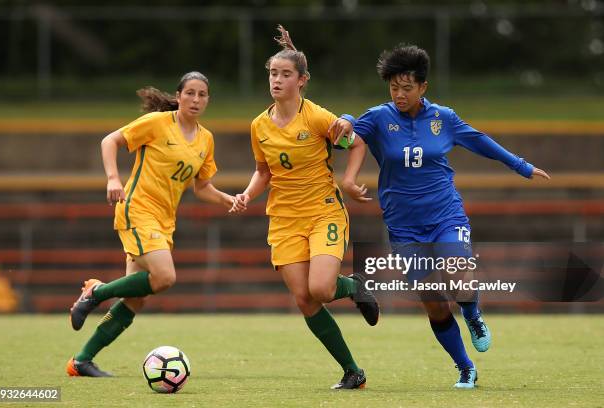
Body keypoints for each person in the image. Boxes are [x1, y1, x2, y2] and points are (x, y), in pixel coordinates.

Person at [338, 44, 550, 389]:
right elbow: (345, 138)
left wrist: (521, 166)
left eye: (407, 87)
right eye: (394, 87)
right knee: (434, 304)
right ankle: (466, 367)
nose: (400, 94)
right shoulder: (377, 117)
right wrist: (346, 119)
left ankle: (472, 314)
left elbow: (479, 141)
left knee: (458, 273)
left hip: (444, 212)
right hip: (403, 224)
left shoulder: (443, 118)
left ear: (423, 87)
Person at [231, 25, 379, 390]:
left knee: (323, 289)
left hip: (323, 211)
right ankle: (352, 372)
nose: (276, 80)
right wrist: (248, 193)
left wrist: (348, 180)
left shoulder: (315, 118)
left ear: (302, 80)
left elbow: (356, 144)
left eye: (284, 74)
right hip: (283, 219)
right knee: (304, 297)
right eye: (272, 73)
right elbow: (263, 170)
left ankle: (355, 287)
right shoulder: (259, 125)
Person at [66, 71, 242, 377]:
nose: (196, 99)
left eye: (202, 94)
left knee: (136, 300)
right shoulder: (158, 123)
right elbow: (110, 140)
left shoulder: (206, 139)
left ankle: (81, 361)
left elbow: (201, 188)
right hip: (138, 210)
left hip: (164, 221)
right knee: (164, 277)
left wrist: (229, 199)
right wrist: (112, 178)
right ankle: (96, 291)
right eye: (190, 93)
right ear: (179, 95)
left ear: (208, 100)